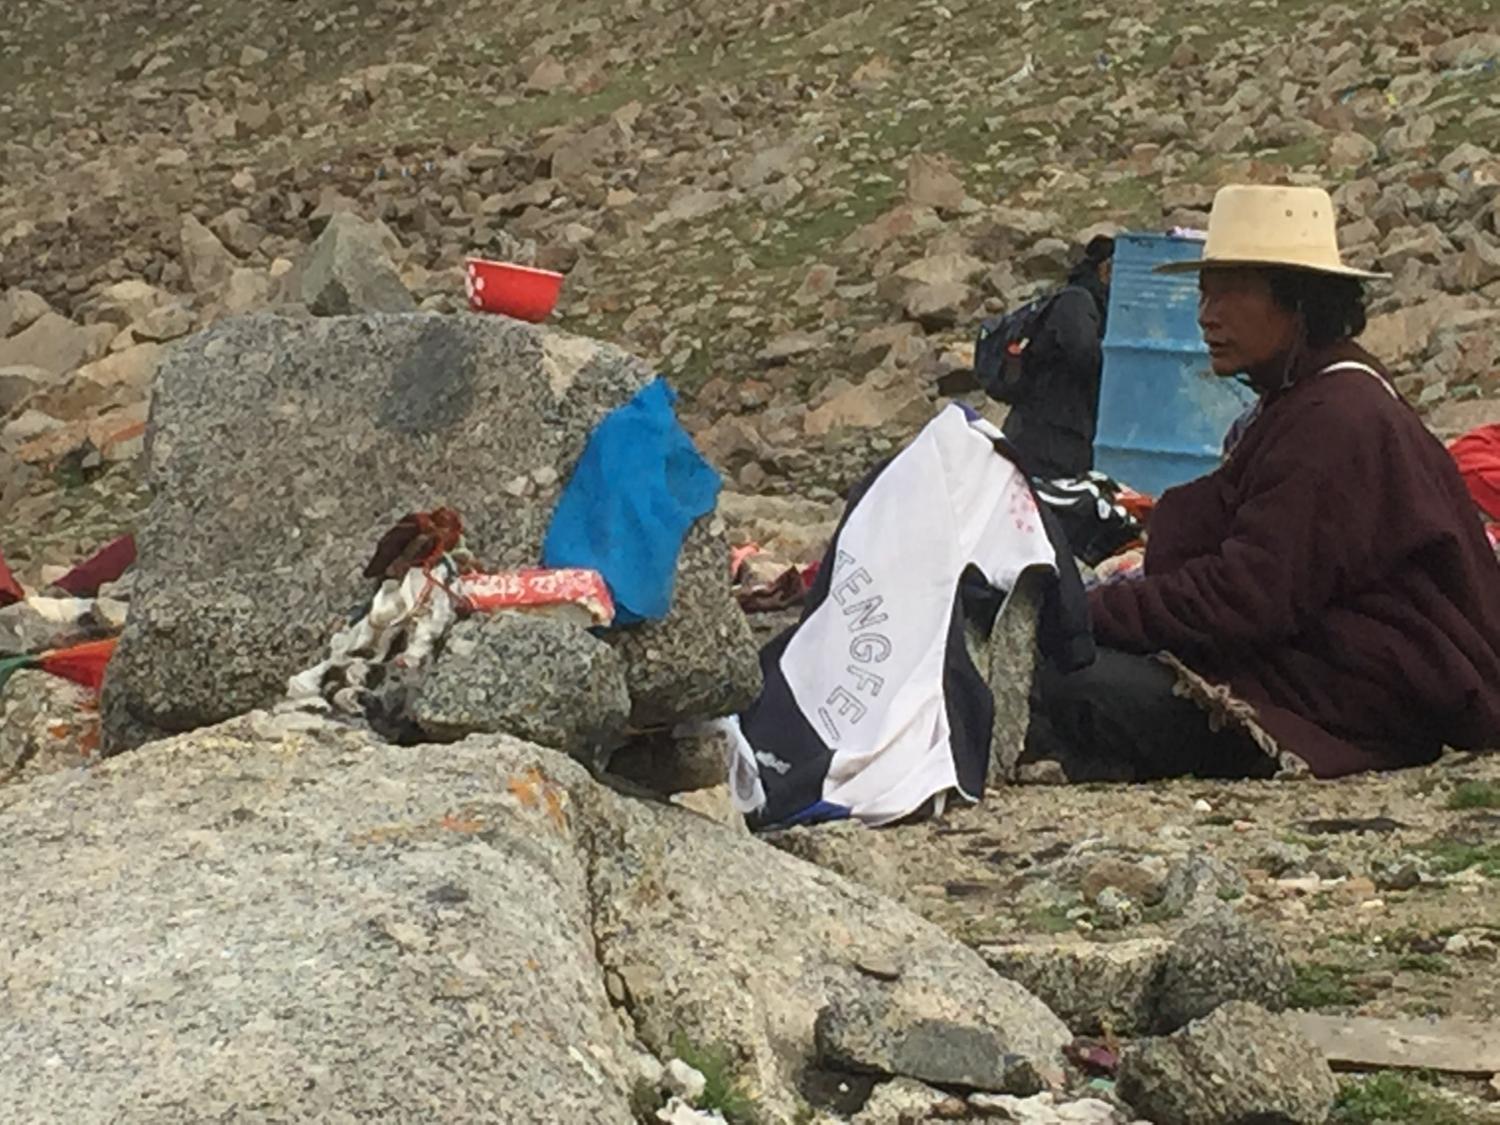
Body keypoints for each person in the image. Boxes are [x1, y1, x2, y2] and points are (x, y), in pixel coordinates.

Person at [1028, 185, 1500, 781]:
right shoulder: (1309, 397)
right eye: (1204, 293)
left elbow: (1245, 596)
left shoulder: (1337, 418)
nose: (1206, 315)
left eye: (1231, 292)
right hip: (1319, 674)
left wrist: (1086, 612)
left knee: (1067, 680)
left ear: (1298, 301)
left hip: (1346, 704)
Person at [1001, 235, 1115, 481]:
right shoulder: (1076, 301)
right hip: (1046, 437)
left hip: (1059, 435)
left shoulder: (1087, 303)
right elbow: (1084, 354)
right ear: (1106, 269)